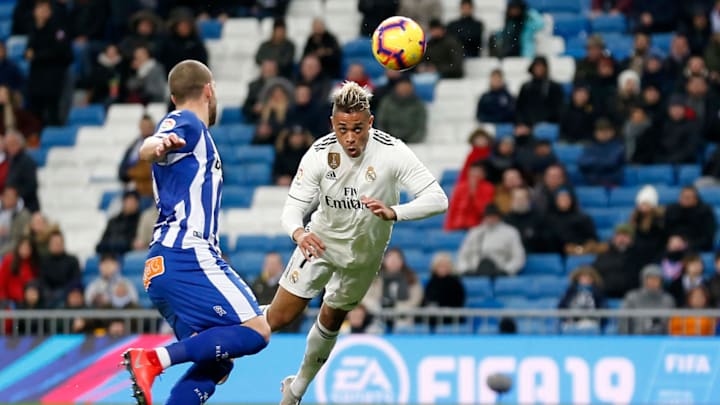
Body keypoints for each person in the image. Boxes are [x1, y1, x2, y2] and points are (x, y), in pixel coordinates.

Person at [263, 81, 447, 405]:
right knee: (278, 319)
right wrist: (299, 233)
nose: (350, 138)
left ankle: (296, 390)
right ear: (333, 124)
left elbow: (438, 198)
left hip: (363, 258)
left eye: (358, 129)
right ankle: (220, 343)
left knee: (332, 319)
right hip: (319, 243)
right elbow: (292, 208)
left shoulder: (392, 152)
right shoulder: (320, 154)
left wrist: (395, 212)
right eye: (343, 129)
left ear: (371, 123)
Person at [121, 60, 271, 405]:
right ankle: (153, 359)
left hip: (160, 267)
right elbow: (150, 145)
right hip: (186, 253)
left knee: (217, 360)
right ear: (209, 89)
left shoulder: (190, 134)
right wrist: (154, 146)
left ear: (173, 95)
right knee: (257, 331)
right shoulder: (186, 121)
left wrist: (157, 148)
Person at [25, 0, 73, 126]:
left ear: (50, 11)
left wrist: (36, 56)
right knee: (34, 109)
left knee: (53, 110)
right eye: (39, 9)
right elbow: (29, 51)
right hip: (37, 75)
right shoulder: (33, 28)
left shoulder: (59, 28)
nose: (42, 12)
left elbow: (62, 51)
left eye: (45, 9)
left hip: (54, 74)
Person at [362, 248, 424, 329]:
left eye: (397, 258)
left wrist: (398, 308)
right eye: (390, 257)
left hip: (403, 317)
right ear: (384, 260)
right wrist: (377, 307)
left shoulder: (411, 278)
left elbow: (416, 298)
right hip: (377, 317)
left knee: (403, 328)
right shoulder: (374, 277)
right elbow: (365, 296)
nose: (393, 261)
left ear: (402, 261)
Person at [457, 204, 526, 276]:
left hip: (500, 275)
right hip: (475, 274)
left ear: (498, 217)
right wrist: (465, 269)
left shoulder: (510, 232)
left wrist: (507, 270)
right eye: (488, 216)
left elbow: (519, 256)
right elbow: (462, 255)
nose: (490, 219)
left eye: (493, 216)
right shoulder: (474, 233)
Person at [250, 252, 302, 333]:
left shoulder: (287, 284)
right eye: (268, 263)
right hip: (262, 322)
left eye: (273, 263)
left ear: (280, 265)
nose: (270, 266)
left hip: (284, 326)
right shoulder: (257, 283)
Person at [619, 264, 676, 335]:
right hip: (636, 339)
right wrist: (625, 340)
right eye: (650, 278)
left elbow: (672, 324)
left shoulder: (668, 300)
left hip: (661, 340)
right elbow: (624, 322)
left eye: (656, 279)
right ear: (643, 280)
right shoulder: (632, 298)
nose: (653, 282)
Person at [592, 224, 641, 299]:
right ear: (614, 238)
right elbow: (595, 274)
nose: (621, 239)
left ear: (632, 239)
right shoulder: (603, 255)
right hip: (604, 295)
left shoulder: (638, 256)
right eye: (619, 235)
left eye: (625, 236)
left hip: (631, 297)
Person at [444, 160, 495, 231]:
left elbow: (484, 211)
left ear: (483, 175)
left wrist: (474, 193)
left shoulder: (488, 188)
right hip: (458, 226)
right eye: (472, 171)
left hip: (477, 227)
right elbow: (453, 209)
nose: (474, 175)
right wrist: (448, 227)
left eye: (478, 172)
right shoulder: (460, 188)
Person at [546, 189, 599, 256]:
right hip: (560, 253)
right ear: (555, 201)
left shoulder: (583, 218)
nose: (564, 201)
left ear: (571, 200)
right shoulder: (550, 220)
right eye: (561, 198)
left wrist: (581, 248)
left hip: (584, 251)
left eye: (566, 198)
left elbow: (593, 237)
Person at [375, 76, 427, 143]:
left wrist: (411, 141)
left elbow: (421, 126)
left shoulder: (418, 104)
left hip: (411, 143)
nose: (404, 89)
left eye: (407, 87)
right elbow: (381, 123)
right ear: (396, 87)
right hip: (389, 141)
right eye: (402, 87)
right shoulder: (387, 102)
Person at [665, 186, 717, 251]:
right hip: (673, 245)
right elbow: (666, 231)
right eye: (682, 197)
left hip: (696, 247)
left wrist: (687, 244)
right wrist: (672, 240)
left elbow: (708, 237)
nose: (684, 200)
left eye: (688, 198)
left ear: (695, 199)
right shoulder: (672, 210)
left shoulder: (705, 212)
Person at [516, 56, 564, 125]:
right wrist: (520, 123)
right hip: (526, 125)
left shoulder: (554, 87)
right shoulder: (526, 87)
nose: (539, 69)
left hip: (547, 124)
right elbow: (519, 108)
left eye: (541, 66)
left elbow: (558, 110)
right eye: (537, 66)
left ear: (546, 68)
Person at [38, 230, 80, 308]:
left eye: (59, 243)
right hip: (48, 296)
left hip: (66, 295)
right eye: (54, 243)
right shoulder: (44, 261)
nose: (57, 245)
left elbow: (75, 279)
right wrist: (48, 292)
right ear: (49, 244)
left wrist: (64, 291)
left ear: (63, 244)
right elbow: (42, 280)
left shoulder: (72, 260)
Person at [558, 266, 607, 332]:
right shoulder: (571, 291)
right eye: (583, 277)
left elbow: (603, 307)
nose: (585, 280)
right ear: (578, 278)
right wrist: (565, 319)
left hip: (591, 321)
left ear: (593, 279)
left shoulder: (597, 292)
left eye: (588, 278)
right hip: (571, 321)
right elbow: (562, 306)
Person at [422, 252, 466, 326]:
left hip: (452, 321)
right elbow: (426, 300)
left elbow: (459, 302)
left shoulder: (456, 283)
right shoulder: (431, 283)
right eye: (440, 265)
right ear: (435, 267)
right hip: (434, 320)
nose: (443, 268)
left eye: (445, 265)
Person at [159, 8, 208, 72]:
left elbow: (203, 63)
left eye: (186, 26)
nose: (183, 28)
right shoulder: (167, 42)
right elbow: (162, 61)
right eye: (181, 25)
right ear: (175, 26)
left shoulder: (196, 42)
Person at [578, 118, 625, 186]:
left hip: (610, 182)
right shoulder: (590, 146)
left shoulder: (618, 146)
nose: (603, 134)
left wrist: (593, 162)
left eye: (606, 131)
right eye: (600, 131)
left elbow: (610, 163)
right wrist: (599, 161)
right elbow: (582, 162)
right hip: (590, 181)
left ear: (612, 132)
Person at [95, 190, 141, 256]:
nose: (131, 204)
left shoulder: (140, 220)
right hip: (109, 255)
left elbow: (133, 244)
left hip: (128, 256)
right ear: (124, 201)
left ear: (138, 203)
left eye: (134, 201)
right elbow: (100, 245)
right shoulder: (113, 221)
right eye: (129, 201)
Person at [119, 115, 155, 197]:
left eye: (147, 126)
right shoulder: (135, 144)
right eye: (143, 126)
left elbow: (149, 170)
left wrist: (132, 173)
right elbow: (122, 169)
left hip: (147, 191)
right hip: (131, 186)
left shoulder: (156, 144)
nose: (145, 128)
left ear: (152, 127)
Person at [6, 131, 39, 212]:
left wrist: (15, 196)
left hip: (28, 208)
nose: (10, 147)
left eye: (13, 144)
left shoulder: (27, 161)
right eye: (8, 145)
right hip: (13, 208)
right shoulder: (11, 161)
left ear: (19, 144)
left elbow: (32, 185)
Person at [0, 236, 38, 306]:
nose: (25, 251)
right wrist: (3, 299)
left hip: (26, 302)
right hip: (9, 301)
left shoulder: (33, 264)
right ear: (18, 247)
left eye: (28, 248)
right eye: (23, 247)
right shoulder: (8, 260)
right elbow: (1, 282)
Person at [505, 187, 545, 252]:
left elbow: (542, 238)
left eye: (522, 199)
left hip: (533, 253)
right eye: (517, 199)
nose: (519, 202)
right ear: (512, 200)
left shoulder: (537, 217)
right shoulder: (507, 219)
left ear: (528, 200)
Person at [0, 186, 31, 256]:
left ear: (17, 199)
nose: (9, 199)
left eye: (12, 197)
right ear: (2, 197)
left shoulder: (24, 215)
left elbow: (21, 239)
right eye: (7, 196)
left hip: (10, 252)